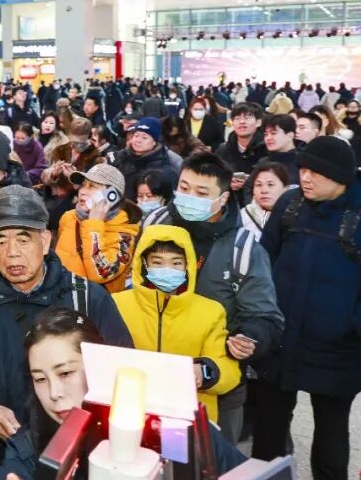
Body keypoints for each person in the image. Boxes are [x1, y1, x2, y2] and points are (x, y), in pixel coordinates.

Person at [251, 136, 361, 480]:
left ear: (341, 178)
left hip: (336, 348)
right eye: (303, 169)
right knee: (268, 428)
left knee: (331, 432)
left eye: (316, 172)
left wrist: (351, 321)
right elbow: (263, 261)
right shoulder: (290, 205)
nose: (305, 177)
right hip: (280, 339)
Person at [0, 185, 132, 470]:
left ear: (45, 240)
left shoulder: (87, 298)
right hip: (1, 456)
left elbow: (123, 374)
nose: (12, 253)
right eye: (0, 241)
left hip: (82, 453)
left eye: (23, 239)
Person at [0, 308, 245, 480]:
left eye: (66, 373)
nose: (54, 393)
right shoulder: (32, 444)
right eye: (40, 379)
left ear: (98, 366)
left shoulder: (176, 431)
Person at [142, 152, 284, 442]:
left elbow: (266, 317)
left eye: (201, 192)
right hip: (152, 372)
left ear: (222, 198)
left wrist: (250, 338)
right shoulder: (155, 224)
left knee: (211, 462)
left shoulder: (242, 248)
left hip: (215, 382)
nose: (189, 197)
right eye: (184, 188)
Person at [113, 225, 240, 420]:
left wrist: (204, 371)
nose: (167, 270)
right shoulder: (116, 304)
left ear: (188, 266)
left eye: (176, 263)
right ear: (143, 264)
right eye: (157, 262)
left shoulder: (211, 312)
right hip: (129, 412)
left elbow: (229, 370)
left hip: (187, 417)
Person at [55, 164, 141, 294]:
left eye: (92, 186)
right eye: (83, 185)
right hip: (62, 298)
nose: (82, 191)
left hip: (95, 303)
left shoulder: (125, 234)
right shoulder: (69, 218)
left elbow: (102, 273)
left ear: (112, 195)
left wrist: (94, 224)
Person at [104, 117, 181, 199]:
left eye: (144, 138)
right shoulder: (118, 158)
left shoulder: (164, 170)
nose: (138, 140)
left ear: (154, 142)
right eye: (136, 135)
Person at [214, 102, 267, 200]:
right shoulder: (223, 149)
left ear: (259, 122)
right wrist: (227, 183)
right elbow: (214, 176)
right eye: (237, 118)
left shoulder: (267, 149)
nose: (242, 122)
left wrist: (250, 183)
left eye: (247, 118)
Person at [240, 161, 292, 238]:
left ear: (286, 188)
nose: (264, 190)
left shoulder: (297, 217)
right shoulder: (242, 218)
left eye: (270, 184)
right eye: (258, 185)